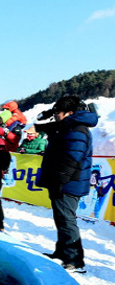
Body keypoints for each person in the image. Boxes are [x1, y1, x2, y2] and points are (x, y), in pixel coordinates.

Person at [36, 96, 98, 273]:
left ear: (70, 113)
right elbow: (40, 125)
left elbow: (72, 159)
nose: (55, 116)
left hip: (69, 183)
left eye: (58, 113)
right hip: (65, 182)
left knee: (67, 220)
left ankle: (75, 261)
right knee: (61, 218)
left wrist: (59, 181)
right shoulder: (68, 126)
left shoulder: (77, 129)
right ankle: (62, 253)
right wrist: (49, 113)